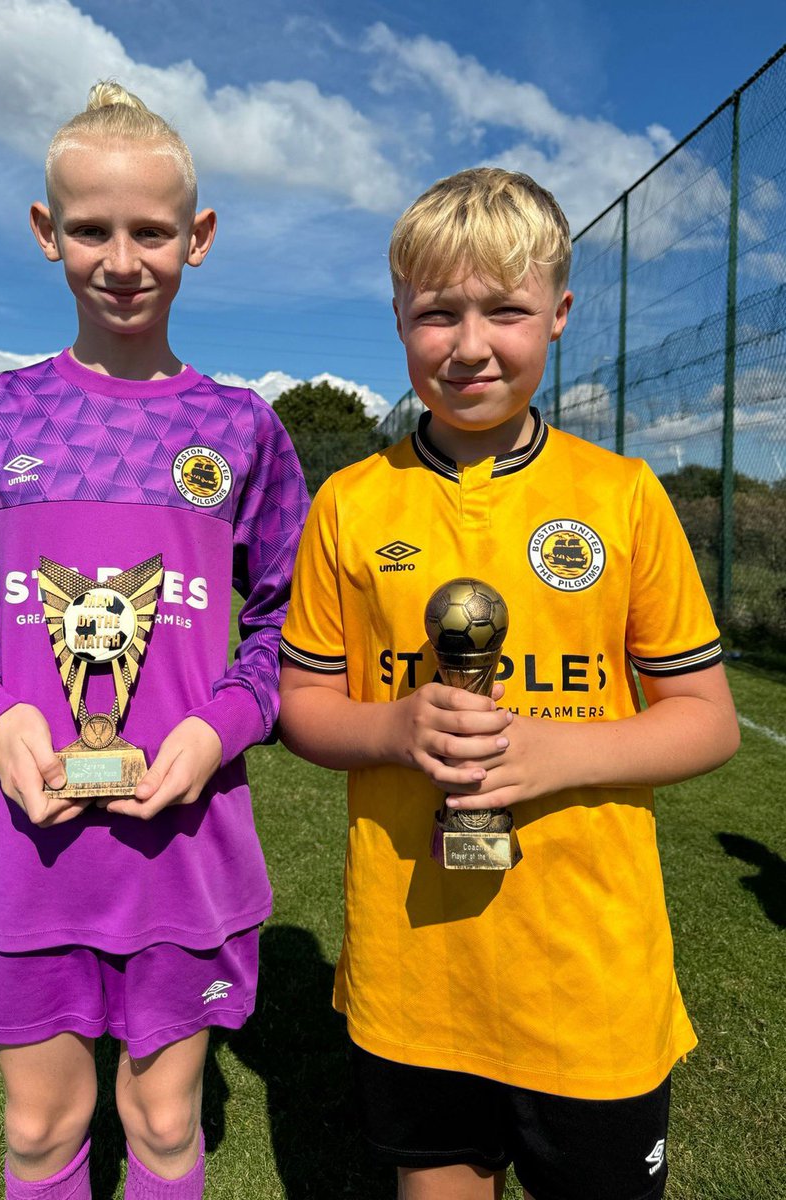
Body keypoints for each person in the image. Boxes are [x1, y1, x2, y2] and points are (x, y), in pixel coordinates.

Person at [0, 81, 308, 1200]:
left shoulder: (240, 430)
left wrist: (215, 730)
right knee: (37, 1129)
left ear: (196, 239)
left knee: (164, 1129)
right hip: (30, 854)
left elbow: (290, 629)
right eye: (93, 230)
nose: (123, 259)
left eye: (152, 231)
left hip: (189, 853)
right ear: (46, 232)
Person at [277, 167, 740, 1200]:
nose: (471, 344)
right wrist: (395, 728)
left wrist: (556, 750)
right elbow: (301, 706)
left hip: (591, 979)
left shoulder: (620, 497)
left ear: (562, 315)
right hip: (417, 977)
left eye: (508, 311)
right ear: (398, 315)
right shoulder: (351, 505)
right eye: (438, 313)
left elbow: (707, 722)